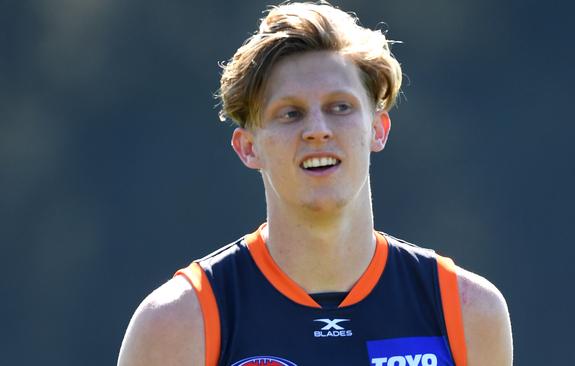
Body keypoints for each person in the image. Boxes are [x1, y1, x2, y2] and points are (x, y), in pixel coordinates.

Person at [117, 2, 513, 365]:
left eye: (340, 107)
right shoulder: (179, 322)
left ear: (378, 128)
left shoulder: (465, 311)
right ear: (248, 147)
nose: (318, 131)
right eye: (290, 113)